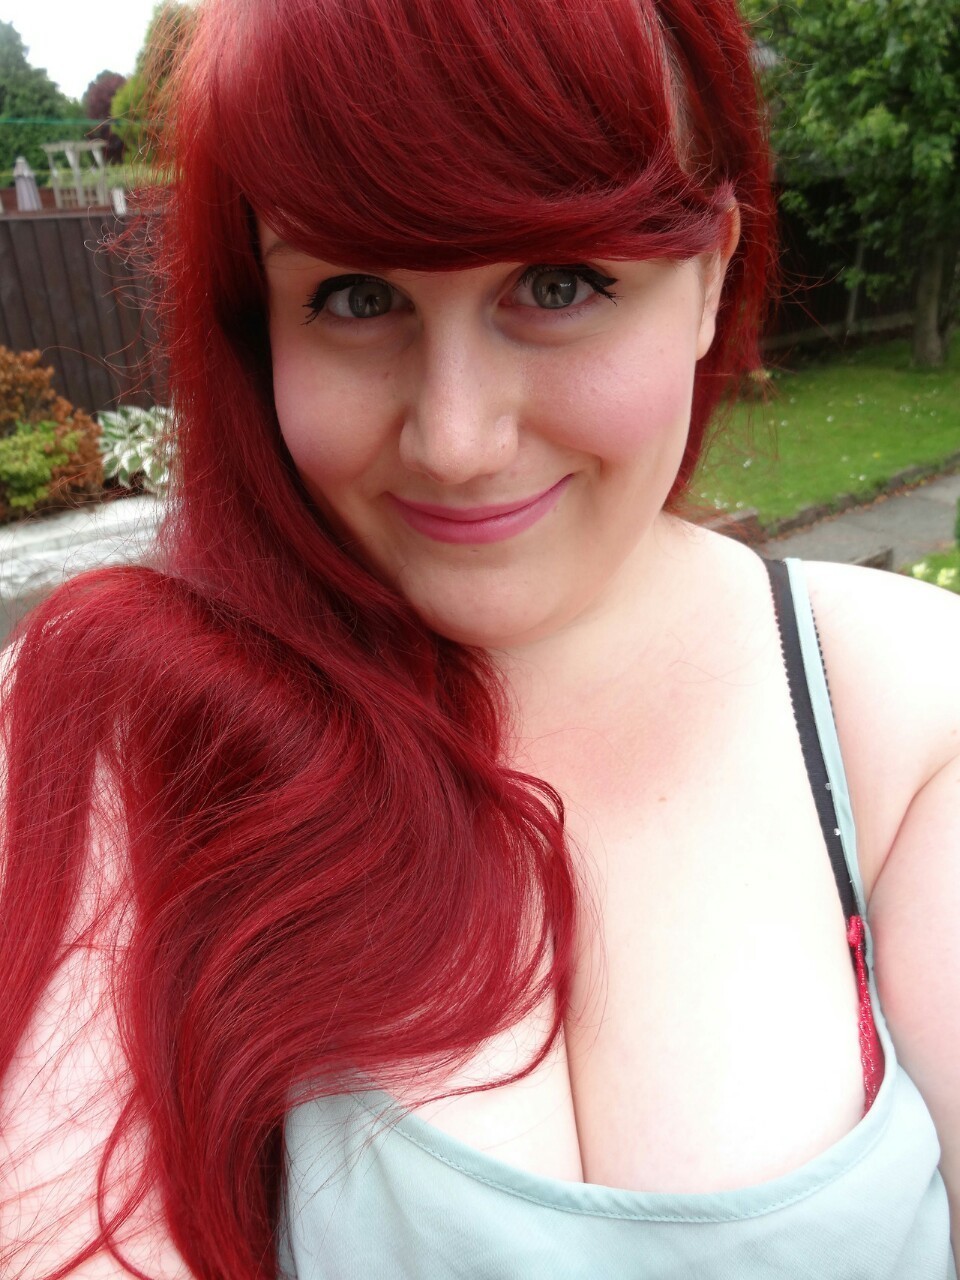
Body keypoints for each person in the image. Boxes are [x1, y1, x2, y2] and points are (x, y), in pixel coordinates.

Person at [1, 0, 957, 1275]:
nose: (455, 439)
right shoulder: (123, 727)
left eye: (559, 284)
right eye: (356, 296)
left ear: (712, 271)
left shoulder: (905, 706)